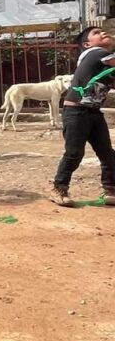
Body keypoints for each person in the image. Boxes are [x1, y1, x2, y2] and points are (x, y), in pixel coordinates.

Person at [49, 25, 115, 207]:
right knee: (74, 153)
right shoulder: (95, 53)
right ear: (87, 44)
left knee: (107, 153)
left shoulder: (103, 62)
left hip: (93, 111)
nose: (103, 33)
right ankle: (58, 188)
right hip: (76, 112)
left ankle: (110, 190)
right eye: (96, 33)